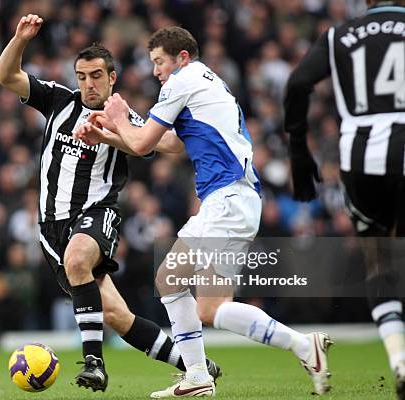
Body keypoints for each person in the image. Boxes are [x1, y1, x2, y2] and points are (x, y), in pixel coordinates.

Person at [77, 26, 332, 397]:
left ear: (181, 57)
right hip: (239, 200)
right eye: (153, 64)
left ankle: (197, 373)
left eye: (160, 62)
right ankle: (302, 346)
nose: (156, 71)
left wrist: (118, 116)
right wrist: (111, 136)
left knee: (169, 278)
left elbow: (144, 140)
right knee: (212, 308)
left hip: (226, 200)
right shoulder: (206, 83)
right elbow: (171, 144)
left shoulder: (182, 81)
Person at [0, 14, 221, 393]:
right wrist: (19, 38)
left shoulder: (123, 116)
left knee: (79, 256)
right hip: (50, 226)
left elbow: (168, 145)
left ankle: (94, 363)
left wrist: (123, 131)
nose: (88, 84)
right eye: (82, 76)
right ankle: (195, 365)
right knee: (117, 315)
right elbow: (5, 76)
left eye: (96, 76)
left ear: (112, 78)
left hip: (96, 215)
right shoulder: (57, 101)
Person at [283, 1, 405, 398]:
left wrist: (300, 153)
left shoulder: (340, 35)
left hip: (361, 163)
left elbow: (298, 83)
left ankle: (399, 358)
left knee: (379, 262)